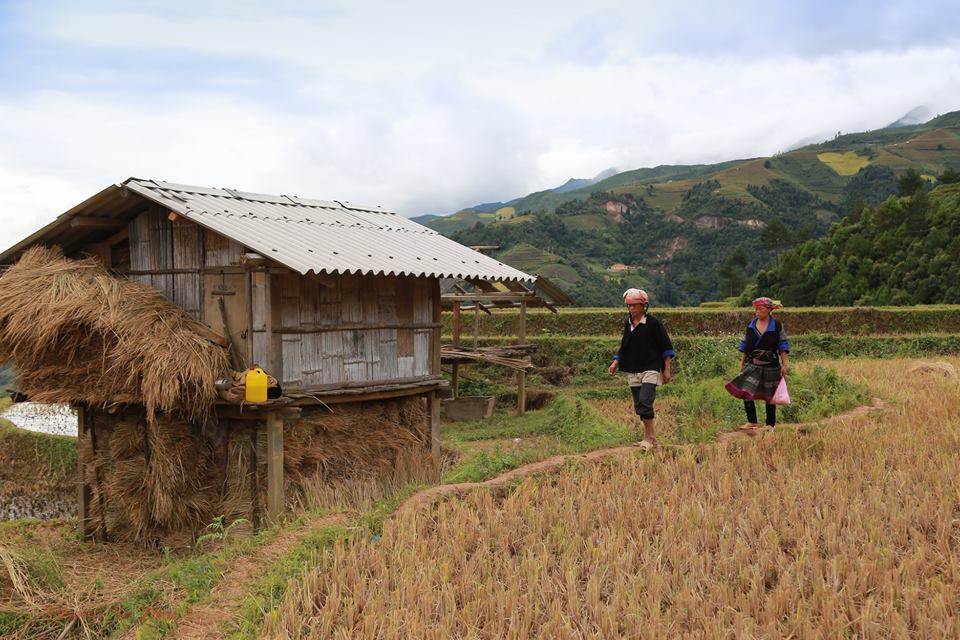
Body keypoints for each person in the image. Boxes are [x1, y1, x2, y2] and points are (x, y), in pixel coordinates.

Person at [608, 288, 675, 446]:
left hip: (650, 367)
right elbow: (624, 346)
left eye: (635, 305)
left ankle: (648, 438)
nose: (631, 309)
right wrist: (616, 362)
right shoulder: (628, 324)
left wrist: (666, 369)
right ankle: (650, 437)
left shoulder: (653, 324)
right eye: (629, 306)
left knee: (645, 400)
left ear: (643, 306)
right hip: (633, 368)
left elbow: (666, 347)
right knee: (639, 405)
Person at [724, 297, 790, 429]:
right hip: (752, 362)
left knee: (769, 394)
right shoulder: (751, 325)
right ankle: (752, 421)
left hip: (771, 363)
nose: (757, 312)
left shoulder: (777, 326)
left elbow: (783, 345)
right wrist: (742, 362)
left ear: (769, 310)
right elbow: (745, 344)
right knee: (746, 389)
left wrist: (784, 364)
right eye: (756, 309)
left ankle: (770, 424)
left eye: (760, 309)